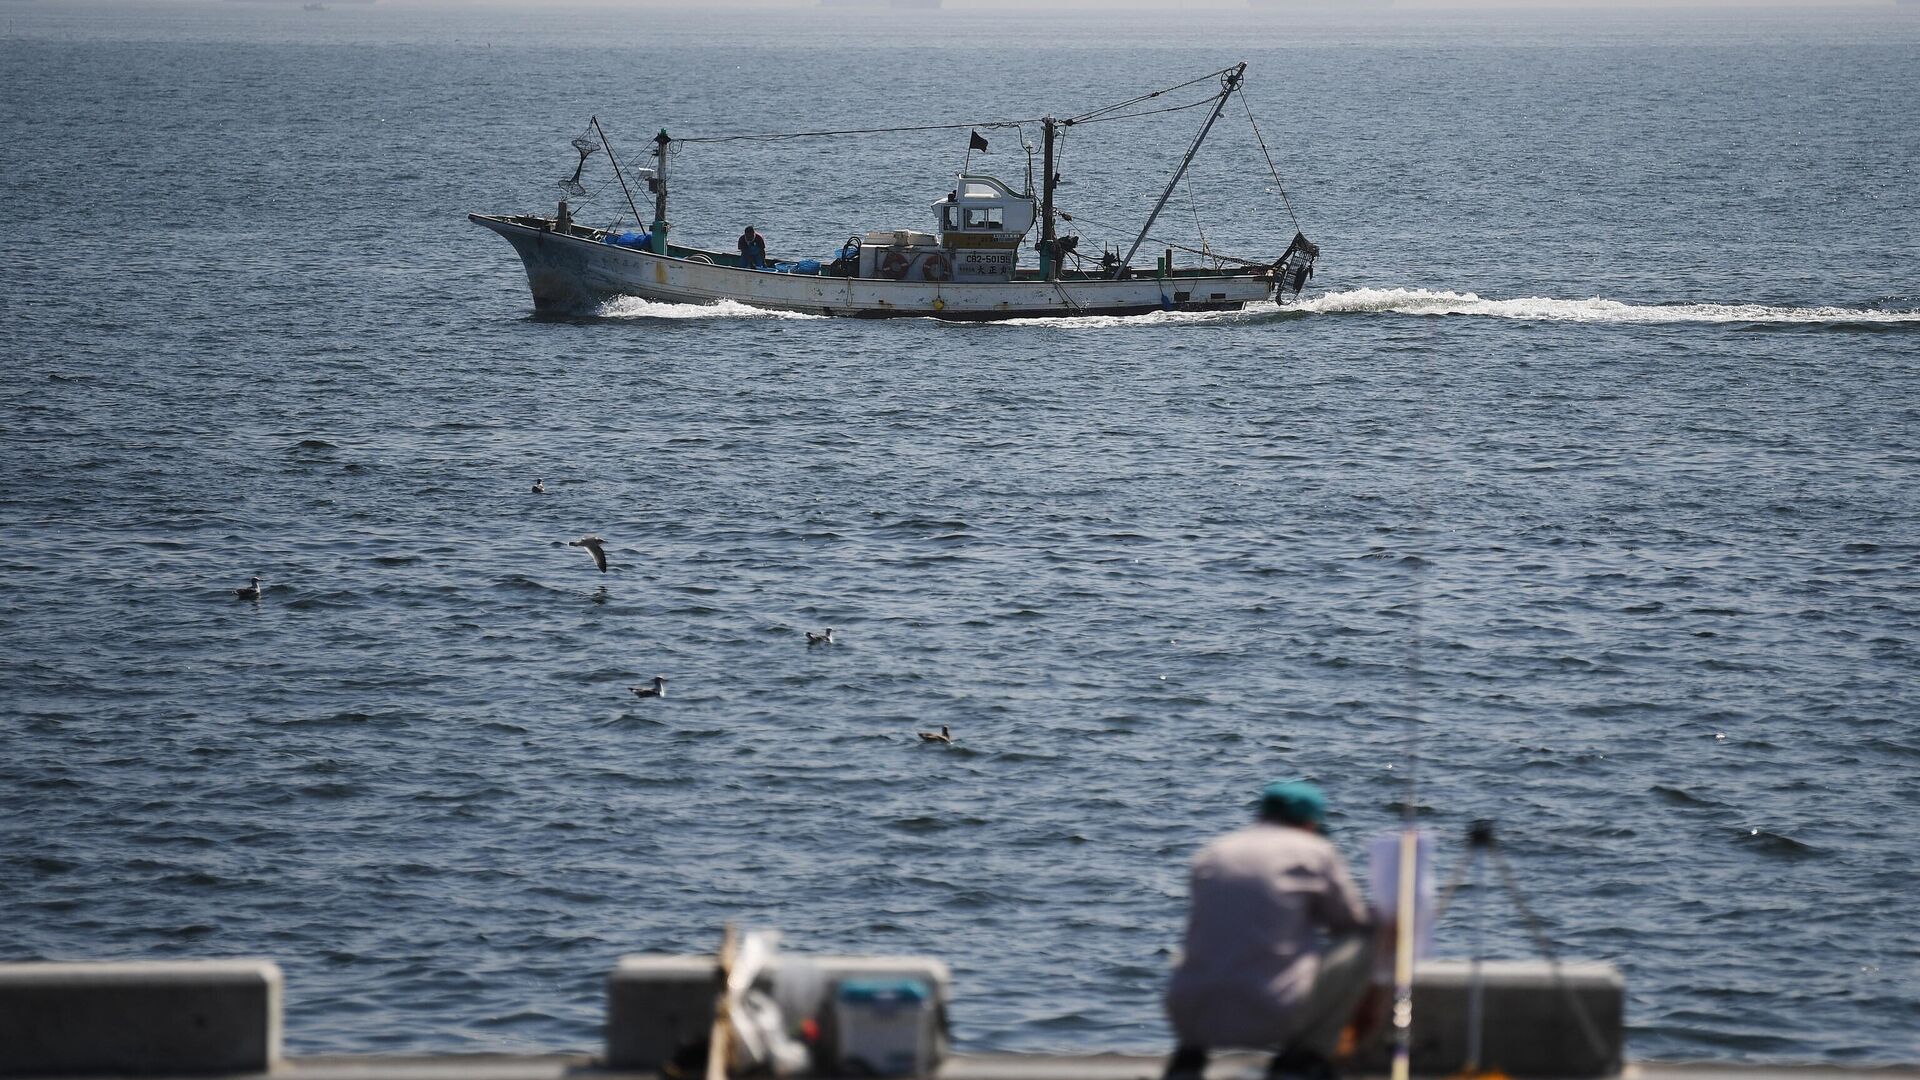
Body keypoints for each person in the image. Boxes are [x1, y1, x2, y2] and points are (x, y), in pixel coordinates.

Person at [1164, 780, 1377, 1080]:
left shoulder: (1214, 852)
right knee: (1362, 944)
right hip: (1272, 1016)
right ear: (1310, 822)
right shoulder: (1314, 851)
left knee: (1205, 944)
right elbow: (1351, 922)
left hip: (1193, 1014)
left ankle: (1188, 1058)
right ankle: (1305, 1059)